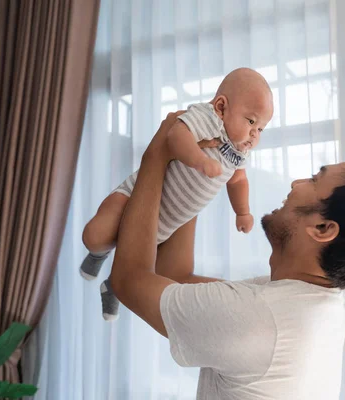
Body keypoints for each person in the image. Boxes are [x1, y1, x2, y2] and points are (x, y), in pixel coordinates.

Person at [109, 113, 345, 400]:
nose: (296, 182)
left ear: (323, 227)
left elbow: (127, 281)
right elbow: (177, 276)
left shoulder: (260, 318)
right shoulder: (314, 304)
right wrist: (196, 171)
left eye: (315, 181)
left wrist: (157, 155)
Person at [79, 68, 274, 320]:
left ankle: (111, 289)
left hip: (167, 223)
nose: (254, 135)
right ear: (222, 107)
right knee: (95, 235)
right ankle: (97, 253)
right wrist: (198, 160)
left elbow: (238, 180)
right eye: (251, 121)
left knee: (136, 267)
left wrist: (243, 211)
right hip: (136, 197)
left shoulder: (240, 152)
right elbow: (175, 134)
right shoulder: (209, 118)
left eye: (261, 129)